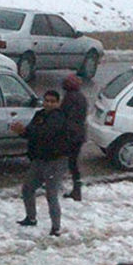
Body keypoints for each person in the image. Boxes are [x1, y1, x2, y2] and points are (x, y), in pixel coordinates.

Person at [12, 89, 68, 236]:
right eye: (46, 100)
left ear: (58, 103)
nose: (48, 104)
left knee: (51, 195)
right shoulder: (40, 115)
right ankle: (31, 218)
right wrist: (22, 132)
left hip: (55, 162)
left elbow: (45, 133)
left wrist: (26, 131)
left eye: (52, 101)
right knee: (27, 189)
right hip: (39, 160)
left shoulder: (58, 117)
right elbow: (31, 132)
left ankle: (56, 227)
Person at [59, 73, 88, 201]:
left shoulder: (69, 98)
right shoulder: (81, 97)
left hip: (70, 135)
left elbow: (65, 116)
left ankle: (53, 184)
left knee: (61, 160)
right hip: (79, 134)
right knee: (73, 163)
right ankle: (77, 189)